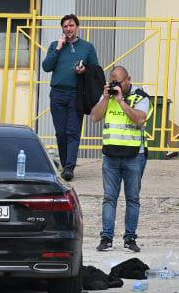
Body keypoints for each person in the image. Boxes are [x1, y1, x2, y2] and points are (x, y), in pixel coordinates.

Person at [90, 64, 150, 253]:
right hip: (111, 156)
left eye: (119, 81)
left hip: (134, 156)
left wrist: (122, 101)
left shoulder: (141, 96)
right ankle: (106, 237)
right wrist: (107, 98)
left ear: (128, 80)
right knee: (109, 198)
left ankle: (130, 238)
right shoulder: (107, 96)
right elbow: (94, 117)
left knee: (132, 199)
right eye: (113, 81)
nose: (116, 84)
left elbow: (140, 119)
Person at [41, 14, 99, 181]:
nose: (68, 29)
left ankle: (69, 167)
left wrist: (84, 70)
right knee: (61, 133)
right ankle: (66, 164)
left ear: (77, 27)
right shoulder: (55, 45)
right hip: (58, 93)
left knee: (72, 131)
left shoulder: (87, 47)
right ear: (62, 29)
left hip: (76, 94)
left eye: (71, 25)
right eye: (65, 26)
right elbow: (46, 66)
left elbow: (96, 71)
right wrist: (58, 48)